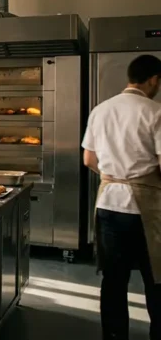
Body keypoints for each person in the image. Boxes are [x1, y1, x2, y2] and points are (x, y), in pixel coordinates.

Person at [82, 54, 161, 340]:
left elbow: (89, 158)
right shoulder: (155, 112)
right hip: (146, 210)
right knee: (156, 279)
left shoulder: (101, 110)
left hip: (108, 206)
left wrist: (114, 176)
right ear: (153, 79)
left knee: (113, 281)